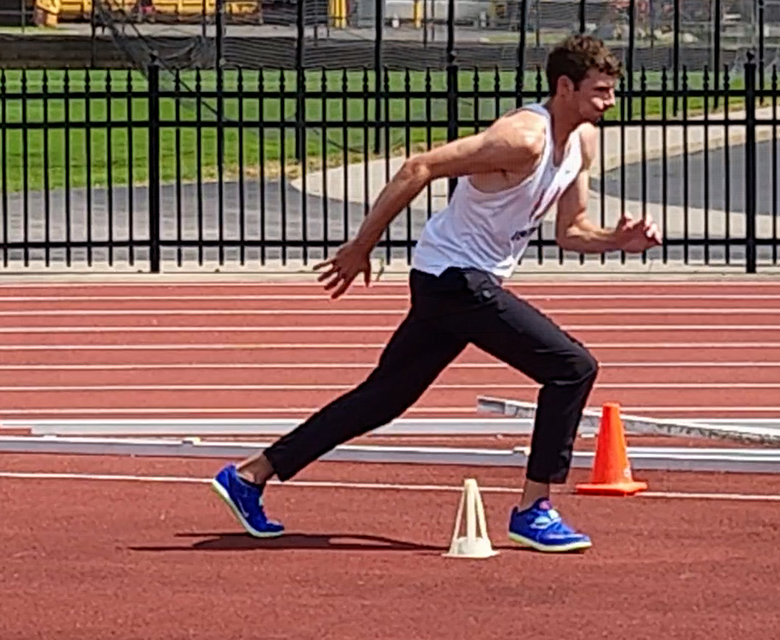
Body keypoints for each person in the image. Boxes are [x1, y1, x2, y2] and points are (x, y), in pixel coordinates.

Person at [210, 33, 662, 553]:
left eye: (611, 91)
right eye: (600, 91)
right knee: (571, 366)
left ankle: (249, 476)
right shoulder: (522, 139)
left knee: (383, 399)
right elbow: (417, 167)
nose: (609, 102)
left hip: (463, 279)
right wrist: (361, 246)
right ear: (564, 87)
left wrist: (617, 240)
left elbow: (572, 231)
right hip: (454, 278)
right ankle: (533, 509)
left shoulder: (581, 141)